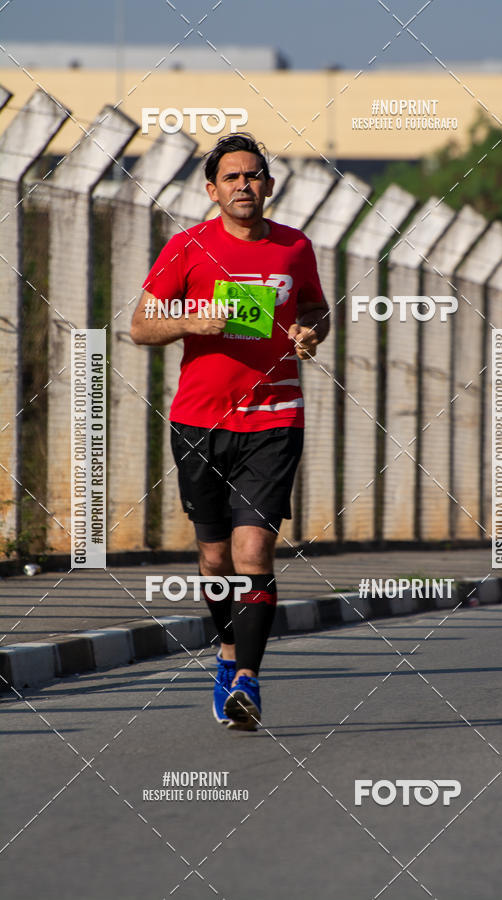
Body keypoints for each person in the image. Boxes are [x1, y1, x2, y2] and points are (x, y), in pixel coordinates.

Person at [130, 133, 329, 729]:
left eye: (254, 175)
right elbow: (140, 326)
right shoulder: (187, 246)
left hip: (274, 417)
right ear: (212, 190)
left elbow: (316, 309)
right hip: (200, 420)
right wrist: (193, 321)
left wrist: (311, 332)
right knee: (215, 558)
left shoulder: (295, 247)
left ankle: (248, 677)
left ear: (269, 185)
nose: (245, 184)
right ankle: (225, 653)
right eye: (232, 177)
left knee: (253, 550)